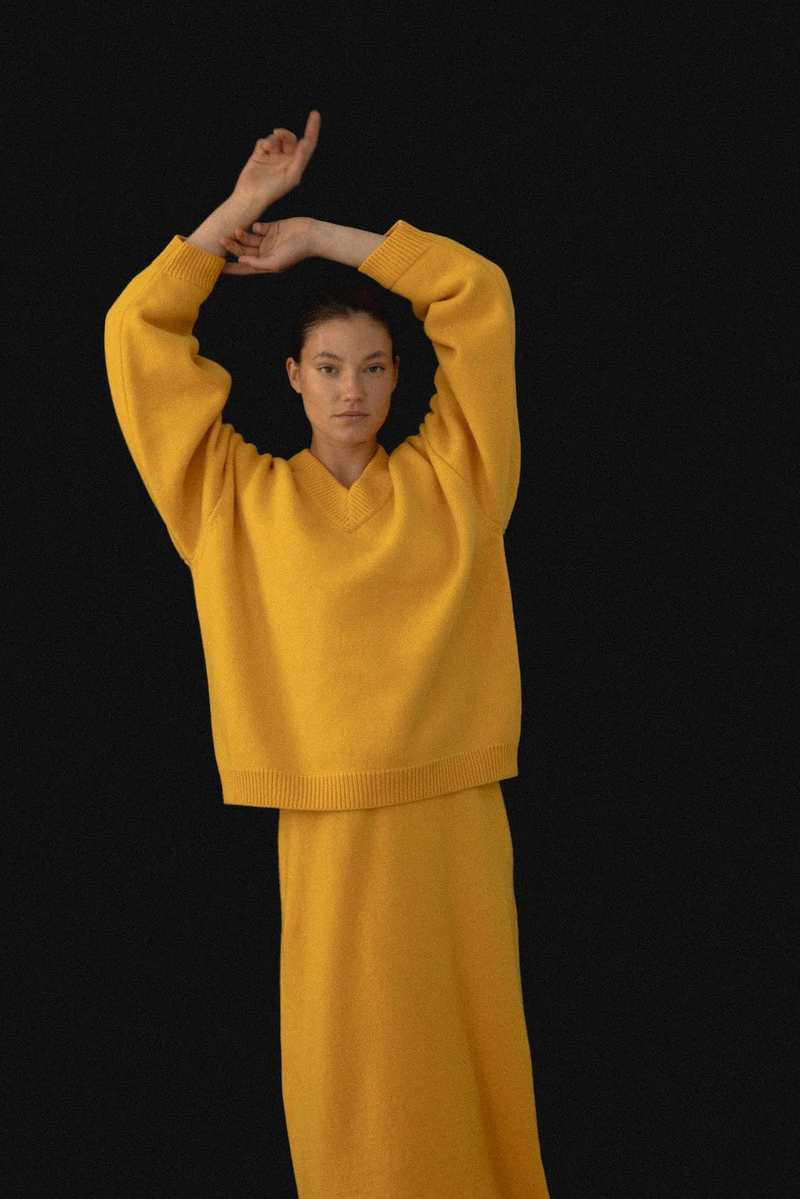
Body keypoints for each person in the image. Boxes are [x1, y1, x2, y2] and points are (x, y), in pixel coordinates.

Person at [104, 108, 551, 1198]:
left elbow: (477, 294)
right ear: (295, 378)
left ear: (397, 380)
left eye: (373, 366)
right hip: (328, 821)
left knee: (471, 1052)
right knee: (350, 1077)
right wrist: (242, 210)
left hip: (451, 809)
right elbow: (136, 336)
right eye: (329, 367)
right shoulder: (234, 502)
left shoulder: (458, 483)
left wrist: (323, 239)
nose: (352, 389)